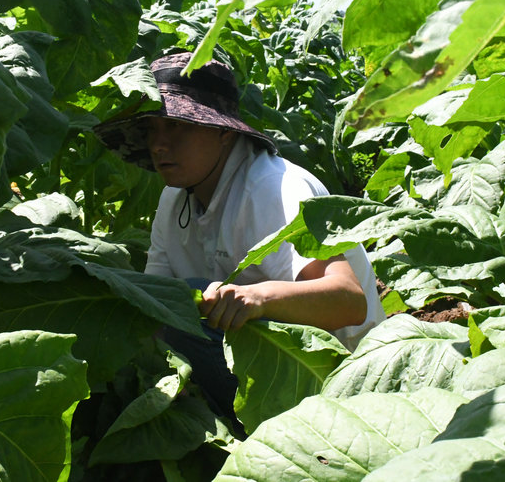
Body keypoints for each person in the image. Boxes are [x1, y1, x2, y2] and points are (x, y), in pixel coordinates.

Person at [94, 51, 386, 423]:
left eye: (177, 126)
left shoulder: (274, 189)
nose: (158, 144)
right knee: (167, 306)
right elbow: (155, 304)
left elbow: (348, 301)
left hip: (341, 382)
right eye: (152, 128)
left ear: (222, 130)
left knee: (193, 306)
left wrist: (258, 297)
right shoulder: (174, 197)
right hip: (264, 370)